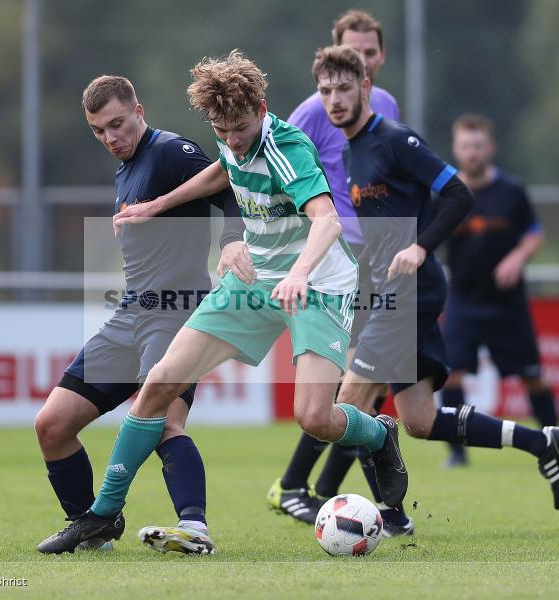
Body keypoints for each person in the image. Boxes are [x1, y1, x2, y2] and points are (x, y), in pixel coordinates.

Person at [35, 50, 409, 554]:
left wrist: (298, 274)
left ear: (262, 109)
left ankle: (378, 434)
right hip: (254, 281)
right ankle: (102, 515)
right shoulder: (229, 138)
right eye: (222, 129)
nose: (231, 139)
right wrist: (158, 205)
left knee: (314, 418)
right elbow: (221, 172)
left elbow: (327, 220)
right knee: (158, 386)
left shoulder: (287, 146)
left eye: (240, 128)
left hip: (317, 284)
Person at [312, 45, 559, 519]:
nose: (334, 99)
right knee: (419, 419)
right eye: (326, 91)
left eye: (344, 88)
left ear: (365, 87)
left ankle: (379, 514)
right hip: (388, 290)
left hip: (411, 290)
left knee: (349, 401)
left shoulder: (394, 139)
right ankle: (542, 443)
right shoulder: (350, 152)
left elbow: (458, 194)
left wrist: (420, 246)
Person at [35, 75, 244, 555]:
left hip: (177, 314)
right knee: (52, 425)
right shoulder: (125, 172)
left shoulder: (172, 152)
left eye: (117, 124)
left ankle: (194, 527)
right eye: (98, 130)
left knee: (164, 423)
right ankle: (92, 529)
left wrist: (232, 239)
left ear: (139, 112)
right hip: (131, 314)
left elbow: (231, 184)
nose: (110, 137)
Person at [266, 9, 413, 536]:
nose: (362, 59)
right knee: (355, 387)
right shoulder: (310, 112)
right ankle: (302, 488)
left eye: (370, 53)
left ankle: (314, 491)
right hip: (336, 263)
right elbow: (275, 169)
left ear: (379, 58)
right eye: (354, 51)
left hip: (380, 258)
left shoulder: (386, 105)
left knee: (366, 389)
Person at [440, 114, 559, 468]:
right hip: (463, 298)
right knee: (452, 374)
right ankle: (457, 454)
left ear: (490, 148)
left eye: (478, 145)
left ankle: (555, 439)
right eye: (465, 146)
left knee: (532, 375)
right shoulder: (446, 194)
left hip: (507, 302)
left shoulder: (511, 191)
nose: (472, 152)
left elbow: (534, 234)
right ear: (456, 149)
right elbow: (427, 239)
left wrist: (517, 257)